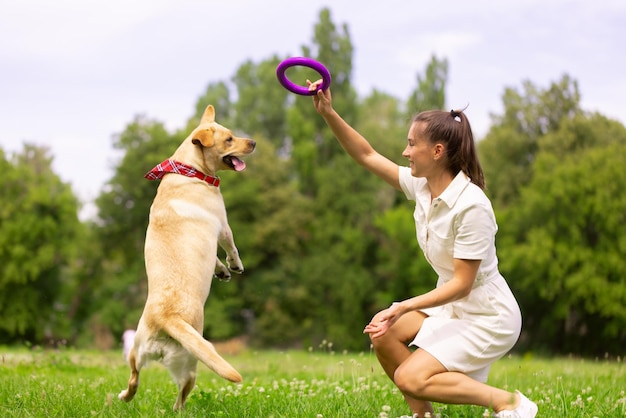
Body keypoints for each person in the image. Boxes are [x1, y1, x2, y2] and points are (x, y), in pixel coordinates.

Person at [308, 79, 538, 418]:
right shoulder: (422, 186)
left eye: (411, 144)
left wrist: (402, 306)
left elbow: (462, 284)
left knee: (409, 377)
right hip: (453, 305)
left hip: (488, 316)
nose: (404, 152)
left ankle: (510, 403)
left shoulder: (471, 205)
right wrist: (328, 113)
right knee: (383, 333)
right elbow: (366, 154)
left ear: (437, 152)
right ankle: (423, 416)